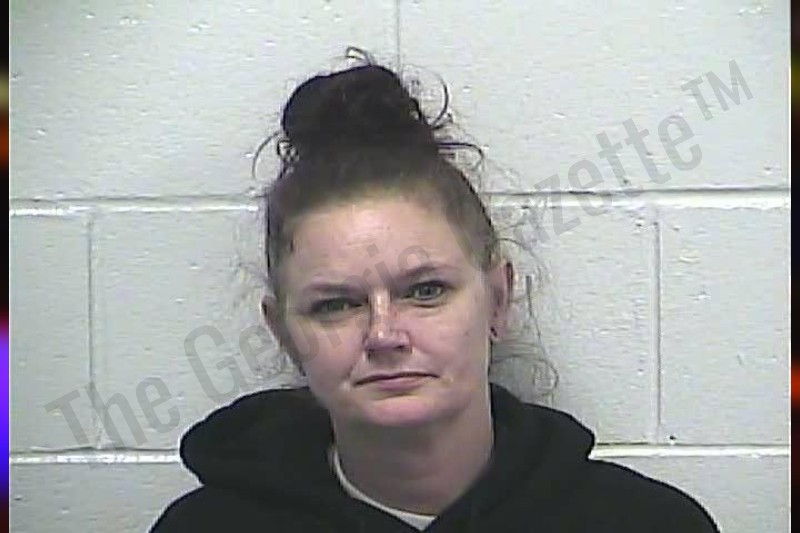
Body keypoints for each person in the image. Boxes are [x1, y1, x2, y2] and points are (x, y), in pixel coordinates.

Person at [151, 53, 720, 532]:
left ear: (497, 299)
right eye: (336, 305)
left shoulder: (651, 524)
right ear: (282, 333)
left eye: (425, 291)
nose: (384, 335)